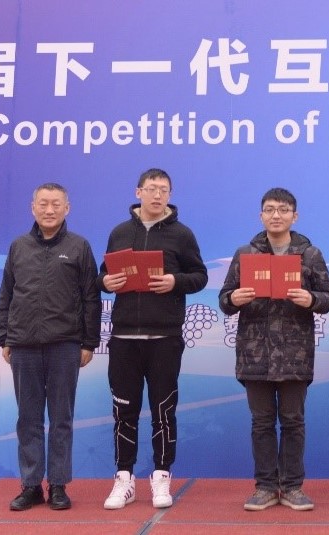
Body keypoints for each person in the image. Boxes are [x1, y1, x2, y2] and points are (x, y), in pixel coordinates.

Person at [218, 187, 329, 512]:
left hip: (295, 354)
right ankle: (266, 487)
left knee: (293, 421)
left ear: (294, 216)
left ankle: (294, 487)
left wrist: (311, 299)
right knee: (261, 423)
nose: (276, 215)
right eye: (270, 209)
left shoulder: (309, 254)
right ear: (261, 215)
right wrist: (234, 298)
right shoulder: (245, 253)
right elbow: (224, 299)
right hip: (254, 354)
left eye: (283, 210)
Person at [98, 168, 208, 510]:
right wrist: (106, 283)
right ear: (138, 192)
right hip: (124, 338)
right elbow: (103, 275)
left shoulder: (182, 234)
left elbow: (200, 276)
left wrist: (176, 282)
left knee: (163, 409)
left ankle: (161, 475)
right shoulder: (119, 232)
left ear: (170, 195)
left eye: (164, 190)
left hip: (164, 338)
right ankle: (124, 478)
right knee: (123, 410)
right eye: (151, 189)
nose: (157, 195)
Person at [0, 182, 101, 511]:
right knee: (27, 418)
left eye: (56, 204)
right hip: (23, 345)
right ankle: (30, 486)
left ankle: (58, 484)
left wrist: (89, 341)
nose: (50, 210)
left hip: (65, 345)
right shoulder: (18, 247)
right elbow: (6, 293)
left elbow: (91, 298)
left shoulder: (79, 246)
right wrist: (4, 336)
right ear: (33, 208)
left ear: (67, 208)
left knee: (61, 418)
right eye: (43, 204)